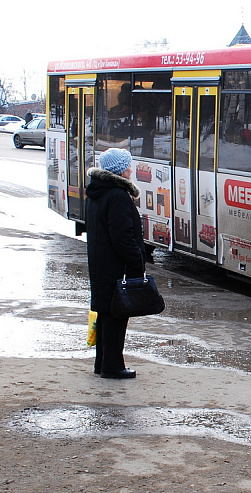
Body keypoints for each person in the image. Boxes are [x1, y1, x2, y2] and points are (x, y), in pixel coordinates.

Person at [85, 148, 144, 379]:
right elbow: (123, 237)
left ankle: (103, 364)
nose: (131, 169)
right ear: (119, 170)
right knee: (116, 317)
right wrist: (137, 262)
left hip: (101, 264)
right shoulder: (117, 196)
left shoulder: (98, 192)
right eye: (128, 166)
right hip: (116, 267)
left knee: (106, 315)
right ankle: (112, 367)